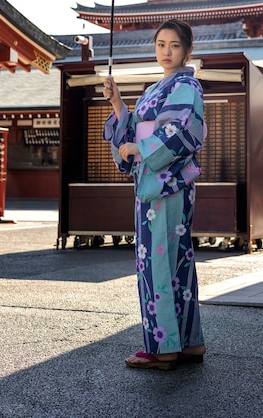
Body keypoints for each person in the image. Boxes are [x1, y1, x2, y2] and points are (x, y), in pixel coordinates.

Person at [103, 18, 206, 370]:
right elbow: (133, 128)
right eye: (161, 44)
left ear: (187, 50)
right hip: (157, 184)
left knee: (158, 262)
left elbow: (181, 133)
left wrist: (139, 147)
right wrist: (118, 104)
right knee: (177, 260)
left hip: (165, 185)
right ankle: (188, 341)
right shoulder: (154, 89)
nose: (167, 51)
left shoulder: (186, 86)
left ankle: (163, 349)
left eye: (175, 45)